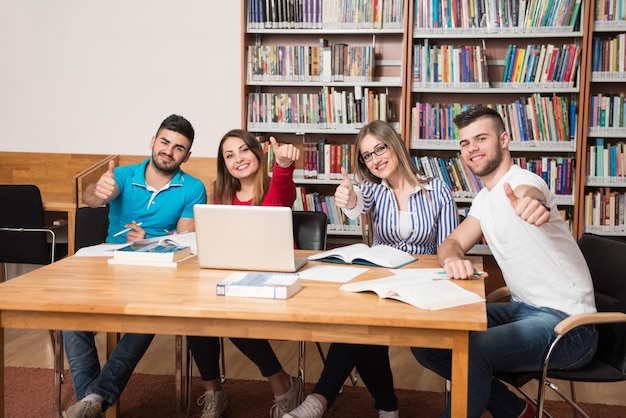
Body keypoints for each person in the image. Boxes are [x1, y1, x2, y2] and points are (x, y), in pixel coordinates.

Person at [411, 105, 598, 418]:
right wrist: (453, 259)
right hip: (524, 311)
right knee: (428, 340)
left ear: (504, 140)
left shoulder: (524, 182)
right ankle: (514, 410)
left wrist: (533, 205)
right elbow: (451, 242)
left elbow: (531, 195)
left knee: (473, 351)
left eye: (481, 139)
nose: (472, 149)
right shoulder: (484, 200)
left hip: (570, 328)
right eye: (465, 143)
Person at [285, 120, 459, 418]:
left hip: (422, 285)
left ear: (395, 145)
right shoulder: (373, 191)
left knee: (362, 331)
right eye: (367, 155)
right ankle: (373, 405)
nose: (376, 158)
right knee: (359, 325)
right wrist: (348, 199)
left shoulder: (437, 189)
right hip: (382, 283)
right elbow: (356, 204)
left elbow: (450, 245)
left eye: (380, 148)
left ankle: (331, 400)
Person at [61, 114, 207, 418]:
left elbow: (184, 239)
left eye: (178, 148)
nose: (169, 150)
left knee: (147, 317)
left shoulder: (193, 187)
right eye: (165, 142)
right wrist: (96, 191)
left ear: (187, 155)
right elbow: (95, 196)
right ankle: (95, 400)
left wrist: (148, 242)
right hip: (109, 265)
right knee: (70, 315)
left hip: (157, 270)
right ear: (153, 142)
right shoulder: (123, 176)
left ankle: (92, 400)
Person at [186, 128, 302, 418]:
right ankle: (213, 393)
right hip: (236, 277)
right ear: (224, 165)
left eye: (243, 150)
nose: (238, 158)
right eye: (229, 155)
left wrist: (284, 166)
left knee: (230, 315)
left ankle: (283, 384)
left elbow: (283, 196)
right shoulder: (222, 196)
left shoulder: (275, 187)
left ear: (257, 152)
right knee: (195, 314)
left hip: (275, 276)